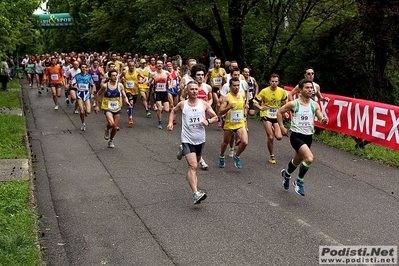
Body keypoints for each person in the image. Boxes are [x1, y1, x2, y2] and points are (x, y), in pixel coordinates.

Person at [167, 80, 218, 204]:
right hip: (187, 139)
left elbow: (215, 117)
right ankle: (195, 193)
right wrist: (170, 123)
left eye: (196, 89)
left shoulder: (204, 104)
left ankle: (182, 152)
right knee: (193, 166)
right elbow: (173, 111)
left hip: (200, 139)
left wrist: (209, 121)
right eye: (192, 89)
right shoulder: (183, 104)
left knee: (193, 166)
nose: (194, 91)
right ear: (187, 91)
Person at [278, 78, 329, 196]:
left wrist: (324, 120)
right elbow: (279, 112)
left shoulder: (315, 105)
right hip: (296, 136)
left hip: (308, 137)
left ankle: (287, 174)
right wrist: (281, 127)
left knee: (296, 161)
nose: (310, 90)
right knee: (309, 159)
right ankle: (299, 181)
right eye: (307, 87)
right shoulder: (294, 104)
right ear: (300, 90)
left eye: (311, 88)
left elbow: (321, 119)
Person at [180, 63, 212, 170]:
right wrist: (186, 108)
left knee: (201, 138)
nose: (201, 77)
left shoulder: (207, 87)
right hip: (191, 114)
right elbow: (182, 97)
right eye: (198, 75)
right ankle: (201, 161)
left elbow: (210, 98)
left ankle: (184, 149)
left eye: (202, 75)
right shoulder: (189, 87)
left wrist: (208, 106)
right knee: (193, 136)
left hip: (203, 114)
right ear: (194, 76)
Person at [253, 73, 287, 164]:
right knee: (270, 137)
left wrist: (285, 112)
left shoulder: (282, 91)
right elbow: (255, 102)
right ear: (269, 82)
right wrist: (260, 108)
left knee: (279, 137)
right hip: (266, 114)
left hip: (276, 115)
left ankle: (273, 128)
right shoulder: (264, 91)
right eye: (272, 81)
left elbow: (286, 102)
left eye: (276, 81)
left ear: (278, 82)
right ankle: (272, 156)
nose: (274, 83)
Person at [218, 77, 249, 169]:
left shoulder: (242, 95)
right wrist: (229, 107)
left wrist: (244, 116)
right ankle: (222, 156)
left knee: (245, 142)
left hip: (240, 123)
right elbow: (220, 112)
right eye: (234, 85)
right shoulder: (227, 97)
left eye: (238, 85)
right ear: (230, 86)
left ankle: (237, 155)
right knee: (225, 142)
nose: (236, 87)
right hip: (230, 124)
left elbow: (242, 107)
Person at [95, 69, 130, 148]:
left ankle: (111, 140)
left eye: (116, 75)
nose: (115, 77)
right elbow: (98, 94)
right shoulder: (105, 86)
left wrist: (126, 101)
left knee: (115, 126)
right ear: (110, 77)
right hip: (107, 107)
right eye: (113, 75)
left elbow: (124, 96)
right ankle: (107, 129)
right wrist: (96, 105)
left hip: (117, 107)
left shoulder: (120, 85)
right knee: (111, 123)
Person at [148, 60, 173, 129]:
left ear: (163, 65)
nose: (160, 65)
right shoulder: (153, 74)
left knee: (167, 110)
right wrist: (148, 83)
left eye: (161, 64)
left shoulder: (166, 73)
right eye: (158, 63)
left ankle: (160, 111)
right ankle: (160, 122)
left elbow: (171, 78)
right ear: (156, 65)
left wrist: (170, 85)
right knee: (159, 108)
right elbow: (149, 82)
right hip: (157, 93)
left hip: (164, 92)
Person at [119, 60, 145, 125]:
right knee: (131, 102)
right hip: (127, 90)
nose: (132, 67)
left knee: (132, 105)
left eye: (133, 66)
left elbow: (144, 78)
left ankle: (129, 111)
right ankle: (130, 118)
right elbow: (119, 77)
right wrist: (120, 83)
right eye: (130, 66)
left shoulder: (137, 72)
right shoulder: (125, 72)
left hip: (135, 91)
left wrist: (142, 82)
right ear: (128, 66)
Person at [71, 62, 95, 131]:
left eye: (85, 67)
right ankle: (83, 123)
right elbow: (72, 83)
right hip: (79, 94)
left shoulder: (89, 76)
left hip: (86, 94)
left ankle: (85, 110)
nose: (83, 68)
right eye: (82, 67)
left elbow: (93, 85)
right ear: (80, 68)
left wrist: (92, 93)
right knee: (81, 111)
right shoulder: (77, 76)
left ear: (87, 68)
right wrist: (71, 85)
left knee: (88, 112)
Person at [205, 58, 226, 128]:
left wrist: (222, 76)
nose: (218, 64)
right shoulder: (211, 71)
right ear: (214, 63)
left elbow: (226, 79)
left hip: (221, 88)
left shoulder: (222, 70)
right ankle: (219, 119)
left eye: (219, 63)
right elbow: (206, 77)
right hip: (213, 88)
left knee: (221, 104)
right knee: (218, 104)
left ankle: (220, 115)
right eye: (216, 63)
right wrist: (204, 84)